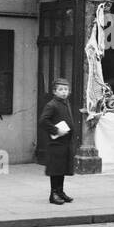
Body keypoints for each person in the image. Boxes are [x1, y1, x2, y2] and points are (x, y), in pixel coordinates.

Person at [39, 77, 76, 205]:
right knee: (55, 169)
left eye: (66, 89)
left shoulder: (66, 103)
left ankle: (60, 192)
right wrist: (56, 130)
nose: (64, 92)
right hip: (56, 143)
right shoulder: (52, 105)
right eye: (60, 89)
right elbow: (43, 121)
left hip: (65, 143)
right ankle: (53, 194)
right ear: (54, 92)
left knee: (62, 168)